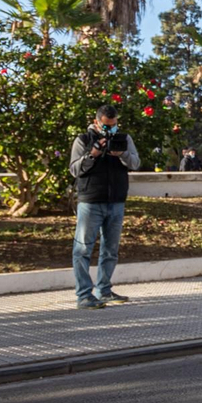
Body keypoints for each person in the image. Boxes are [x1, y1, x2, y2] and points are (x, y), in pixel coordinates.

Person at [68, 104, 142, 309]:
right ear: (96, 122)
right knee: (82, 249)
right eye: (106, 125)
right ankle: (84, 295)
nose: (111, 129)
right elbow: (74, 169)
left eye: (114, 124)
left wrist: (122, 154)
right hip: (91, 201)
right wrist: (93, 154)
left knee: (110, 250)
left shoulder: (124, 139)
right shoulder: (83, 140)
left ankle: (104, 290)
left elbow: (135, 163)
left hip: (116, 201)